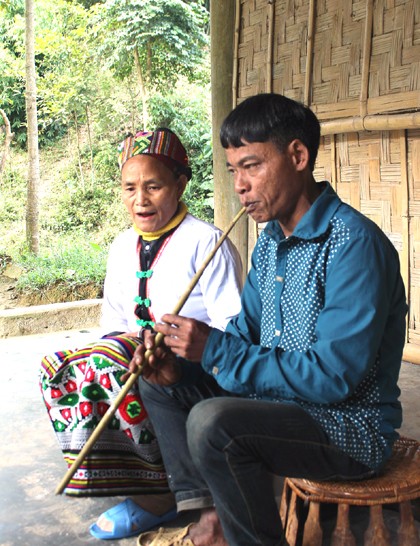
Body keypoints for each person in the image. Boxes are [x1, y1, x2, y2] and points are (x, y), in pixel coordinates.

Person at [129, 94, 408, 546]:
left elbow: (333, 378)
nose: (240, 185)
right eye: (234, 169)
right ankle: (211, 518)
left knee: (213, 422)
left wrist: (217, 349)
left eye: (252, 166)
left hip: (345, 428)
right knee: (159, 381)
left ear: (298, 156)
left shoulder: (354, 245)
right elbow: (244, 334)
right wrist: (184, 364)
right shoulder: (270, 244)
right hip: (278, 406)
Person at [38, 128, 243, 540]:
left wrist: (182, 348)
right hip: (142, 356)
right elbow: (114, 322)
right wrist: (120, 348)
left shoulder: (207, 242)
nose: (140, 199)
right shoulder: (120, 246)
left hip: (203, 370)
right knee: (64, 368)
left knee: (135, 373)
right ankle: (136, 479)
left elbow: (232, 331)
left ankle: (161, 497)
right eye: (130, 187)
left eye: (153, 186)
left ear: (180, 184)